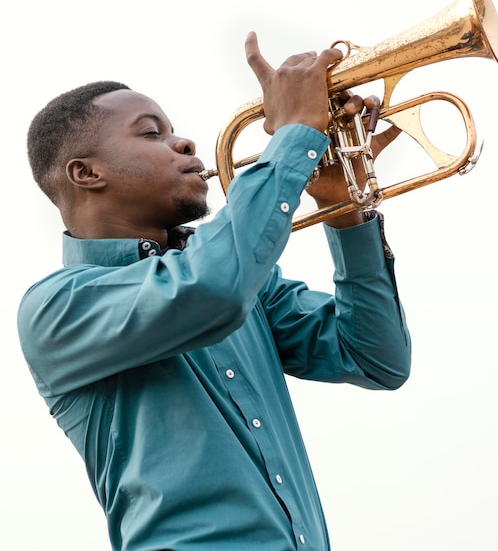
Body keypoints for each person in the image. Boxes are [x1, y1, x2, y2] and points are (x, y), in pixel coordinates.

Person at [18, 32, 411, 551]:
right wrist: (293, 136)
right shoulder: (56, 308)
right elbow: (213, 291)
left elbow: (375, 359)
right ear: (87, 173)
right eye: (151, 134)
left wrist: (344, 209)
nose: (185, 144)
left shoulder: (241, 281)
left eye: (174, 132)